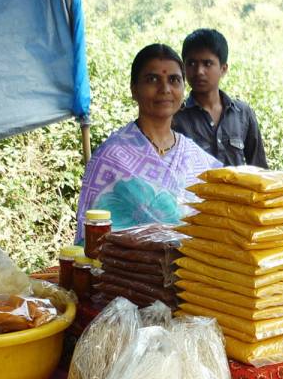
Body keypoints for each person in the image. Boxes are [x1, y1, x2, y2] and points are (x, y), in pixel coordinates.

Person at [75, 44, 222, 240]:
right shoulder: (111, 156)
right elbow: (91, 236)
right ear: (134, 89)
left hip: (191, 269)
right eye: (152, 79)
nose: (165, 89)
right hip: (124, 269)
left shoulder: (197, 160)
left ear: (183, 89)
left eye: (174, 80)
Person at [172, 28, 268, 168]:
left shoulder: (243, 113)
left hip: (239, 190)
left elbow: (259, 168)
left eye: (207, 64)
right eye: (192, 64)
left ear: (223, 69)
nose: (199, 71)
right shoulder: (176, 118)